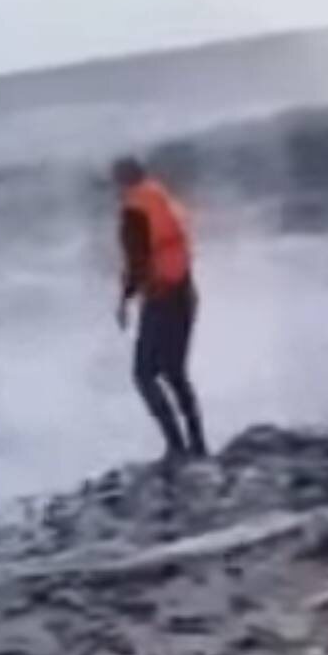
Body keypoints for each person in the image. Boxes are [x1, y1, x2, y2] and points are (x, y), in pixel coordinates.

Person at [114, 157, 209, 463]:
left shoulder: (133, 211)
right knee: (175, 372)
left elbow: (136, 262)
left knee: (143, 374)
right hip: (185, 293)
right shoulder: (163, 199)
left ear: (122, 181)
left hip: (161, 299)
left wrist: (124, 301)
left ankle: (175, 446)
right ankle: (198, 444)